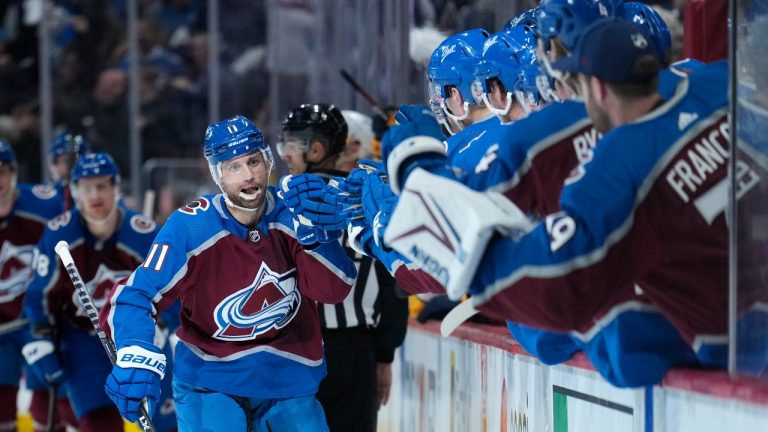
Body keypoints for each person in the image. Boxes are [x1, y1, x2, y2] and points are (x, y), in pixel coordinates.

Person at [387, 17, 732, 387]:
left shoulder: (621, 163)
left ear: (595, 88)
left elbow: (551, 292)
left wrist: (418, 170)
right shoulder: (720, 82)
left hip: (741, 353)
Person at [99, 115, 357, 431]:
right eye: (233, 167)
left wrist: (317, 238)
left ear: (268, 162)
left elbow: (334, 291)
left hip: (289, 376)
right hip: (210, 381)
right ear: (217, 175)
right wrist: (135, 349)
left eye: (253, 161)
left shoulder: (295, 215)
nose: (248, 176)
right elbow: (135, 295)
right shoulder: (192, 227)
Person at [279, 104, 408, 431]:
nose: (284, 154)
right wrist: (384, 355)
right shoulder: (365, 195)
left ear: (316, 148)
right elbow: (394, 278)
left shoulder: (281, 201)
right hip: (355, 351)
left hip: (294, 348)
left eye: (290, 144)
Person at [23, 152, 161, 431]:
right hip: (83, 339)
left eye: (102, 185)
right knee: (99, 424)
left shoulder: (143, 234)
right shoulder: (59, 234)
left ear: (116, 187)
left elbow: (173, 287)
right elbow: (40, 293)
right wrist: (41, 334)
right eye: (87, 187)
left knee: (167, 418)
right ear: (75, 192)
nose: (95, 194)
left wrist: (164, 326)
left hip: (139, 336)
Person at [0, 140, 65, 431]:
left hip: (40, 325)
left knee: (50, 409)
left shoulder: (45, 205)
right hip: (1, 331)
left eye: (1, 171)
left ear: (13, 173)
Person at [47, 131, 91, 210]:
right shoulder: (50, 193)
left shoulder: (93, 193)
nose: (65, 167)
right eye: (56, 161)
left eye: (70, 161)